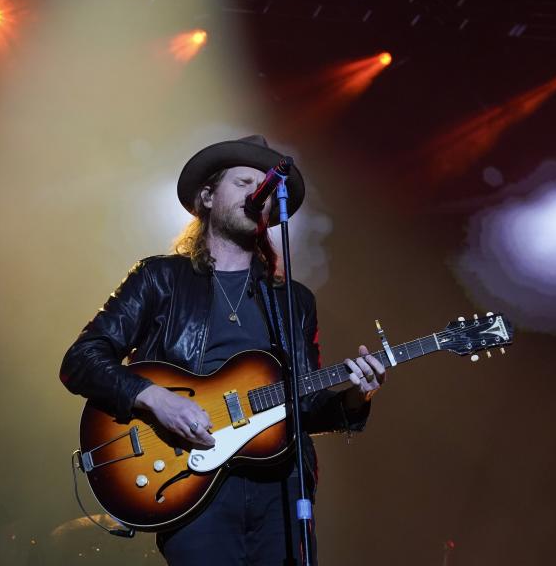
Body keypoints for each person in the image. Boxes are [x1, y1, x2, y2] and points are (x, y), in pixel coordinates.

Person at [60, 135, 387, 565]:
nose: (258, 192)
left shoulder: (293, 300)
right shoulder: (160, 278)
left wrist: (355, 394)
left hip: (281, 488)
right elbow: (81, 360)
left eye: (265, 188)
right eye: (244, 181)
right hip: (192, 482)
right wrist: (156, 399)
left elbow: (303, 404)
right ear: (207, 197)